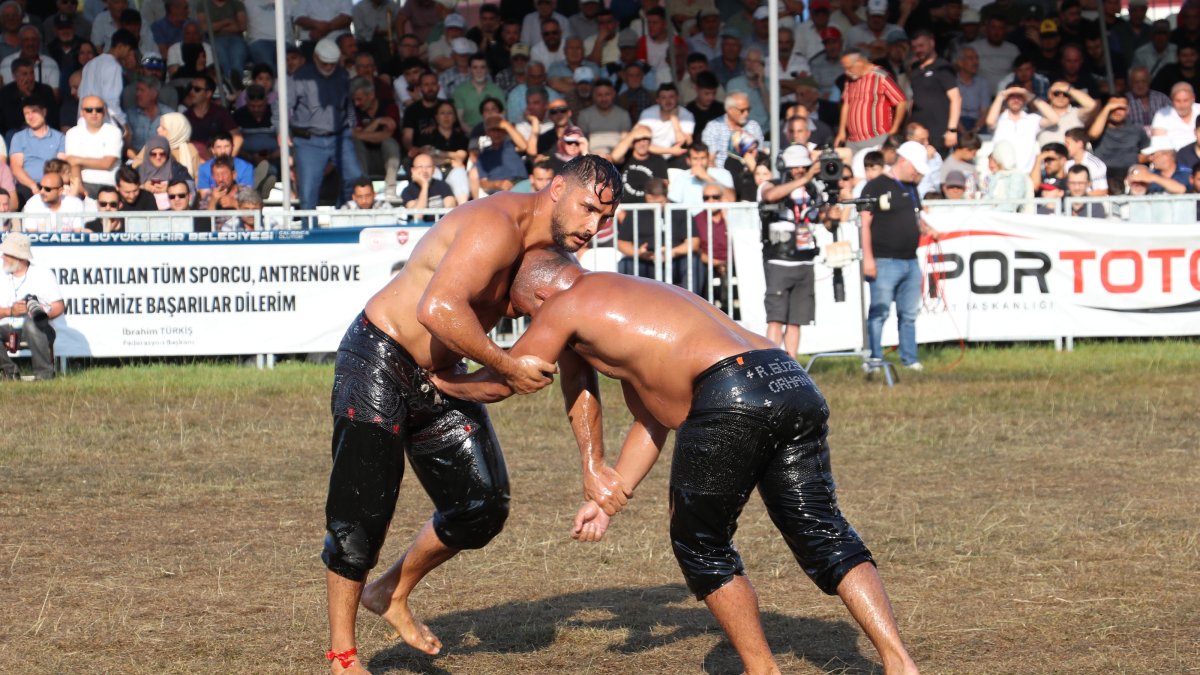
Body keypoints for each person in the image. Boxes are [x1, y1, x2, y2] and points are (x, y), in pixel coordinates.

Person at [429, 247, 921, 675]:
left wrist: (439, 381)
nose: (534, 326)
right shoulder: (633, 295)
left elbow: (506, 378)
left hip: (730, 389)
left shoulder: (563, 304)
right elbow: (652, 420)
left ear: (538, 298)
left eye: (522, 313)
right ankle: (899, 661)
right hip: (788, 378)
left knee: (700, 544)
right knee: (822, 530)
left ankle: (761, 668)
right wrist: (609, 497)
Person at [321, 156, 625, 674]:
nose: (593, 228)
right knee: (362, 510)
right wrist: (508, 365)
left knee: (481, 504)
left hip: (444, 374)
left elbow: (577, 369)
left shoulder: (557, 265)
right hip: (380, 355)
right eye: (588, 210)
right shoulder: (496, 225)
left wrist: (592, 463)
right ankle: (342, 653)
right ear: (556, 189)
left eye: (605, 219)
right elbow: (436, 308)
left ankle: (390, 592)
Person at [860, 141, 939, 371]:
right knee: (879, 311)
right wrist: (869, 258)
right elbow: (865, 223)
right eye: (916, 168)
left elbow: (915, 217)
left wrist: (927, 229)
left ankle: (910, 358)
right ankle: (874, 358)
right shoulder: (875, 187)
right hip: (884, 261)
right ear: (903, 162)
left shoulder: (911, 189)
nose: (917, 174)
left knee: (909, 313)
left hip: (910, 261)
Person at [759, 144, 826, 357]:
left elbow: (824, 219)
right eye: (795, 167)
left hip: (805, 260)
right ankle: (771, 361)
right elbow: (770, 196)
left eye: (803, 167)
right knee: (776, 317)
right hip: (779, 260)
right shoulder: (770, 184)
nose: (800, 170)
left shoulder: (812, 190)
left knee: (797, 320)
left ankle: (792, 363)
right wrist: (805, 179)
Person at [290, 37, 363, 211]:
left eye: (332, 63)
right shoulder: (300, 77)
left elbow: (348, 103)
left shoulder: (343, 74)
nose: (329, 67)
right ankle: (310, 234)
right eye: (325, 63)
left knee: (355, 178)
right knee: (308, 192)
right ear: (315, 58)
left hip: (340, 136)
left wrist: (352, 125)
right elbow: (285, 105)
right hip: (309, 141)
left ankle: (343, 214)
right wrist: (281, 131)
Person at [0, 233, 65, 380]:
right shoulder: (1, 275)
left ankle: (44, 374)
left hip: (37, 327)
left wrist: (42, 314)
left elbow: (59, 306)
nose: (2, 257)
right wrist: (10, 311)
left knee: (32, 323)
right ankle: (9, 373)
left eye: (6, 254)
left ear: (20, 258)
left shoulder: (42, 274)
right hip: (6, 327)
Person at [835, 48, 907, 152]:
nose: (847, 72)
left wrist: (894, 129)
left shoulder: (880, 76)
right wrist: (841, 131)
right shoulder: (850, 80)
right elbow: (846, 103)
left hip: (877, 137)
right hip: (853, 140)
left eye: (849, 68)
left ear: (859, 62)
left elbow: (901, 101)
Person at [63, 95, 123, 197]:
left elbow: (107, 164)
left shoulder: (114, 132)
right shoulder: (72, 133)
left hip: (110, 185)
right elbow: (73, 164)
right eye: (89, 110)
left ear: (104, 112)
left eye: (98, 109)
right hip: (83, 185)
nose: (94, 113)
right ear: (82, 112)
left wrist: (78, 159)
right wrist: (80, 188)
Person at [10, 95, 66, 206]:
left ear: (44, 112)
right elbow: (16, 167)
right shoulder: (19, 137)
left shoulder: (59, 137)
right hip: (27, 186)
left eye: (34, 111)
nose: (30, 117)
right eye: (26, 113)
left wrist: (49, 186)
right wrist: (32, 185)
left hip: (53, 185)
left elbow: (62, 167)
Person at [401, 153, 458, 219]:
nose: (424, 170)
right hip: (418, 228)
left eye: (428, 167)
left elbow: (450, 211)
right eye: (420, 167)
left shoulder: (443, 186)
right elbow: (417, 216)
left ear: (434, 169)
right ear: (413, 170)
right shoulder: (407, 191)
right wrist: (425, 186)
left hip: (440, 226)